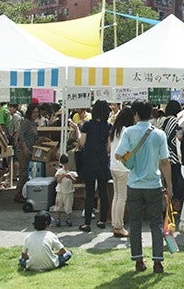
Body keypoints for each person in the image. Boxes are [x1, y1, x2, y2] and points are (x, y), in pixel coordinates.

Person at [115, 100, 172, 274]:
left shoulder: (128, 132)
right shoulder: (159, 134)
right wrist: (169, 185)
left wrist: (129, 160)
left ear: (136, 114)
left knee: (135, 223)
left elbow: (118, 154)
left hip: (134, 184)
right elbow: (165, 161)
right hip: (153, 183)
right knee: (156, 223)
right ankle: (158, 262)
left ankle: (138, 260)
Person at [74, 100, 111, 232]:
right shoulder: (108, 126)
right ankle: (102, 221)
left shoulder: (87, 125)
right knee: (103, 192)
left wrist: (77, 131)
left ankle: (87, 223)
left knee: (89, 192)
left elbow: (82, 142)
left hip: (89, 160)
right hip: (102, 160)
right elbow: (109, 147)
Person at [109, 107, 134, 237]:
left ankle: (115, 224)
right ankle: (118, 226)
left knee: (117, 196)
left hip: (113, 166)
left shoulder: (115, 130)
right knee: (122, 198)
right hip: (122, 168)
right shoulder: (126, 131)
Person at [160, 101, 184, 213]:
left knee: (168, 180)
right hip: (176, 157)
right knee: (178, 179)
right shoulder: (176, 121)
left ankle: (168, 202)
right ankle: (176, 201)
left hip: (165, 155)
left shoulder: (163, 121)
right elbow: (175, 139)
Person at [14, 105, 39, 203]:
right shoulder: (26, 122)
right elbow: (21, 135)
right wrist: (25, 148)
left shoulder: (34, 124)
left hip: (30, 151)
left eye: (37, 112)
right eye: (34, 112)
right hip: (22, 151)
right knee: (23, 172)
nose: (35, 114)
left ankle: (22, 193)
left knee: (26, 172)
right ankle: (18, 194)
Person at [54, 154, 77, 228]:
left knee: (68, 206)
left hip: (69, 191)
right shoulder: (59, 172)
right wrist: (63, 175)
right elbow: (58, 181)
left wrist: (70, 177)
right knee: (58, 205)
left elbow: (75, 181)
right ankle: (58, 218)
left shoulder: (72, 173)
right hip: (60, 191)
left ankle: (68, 218)